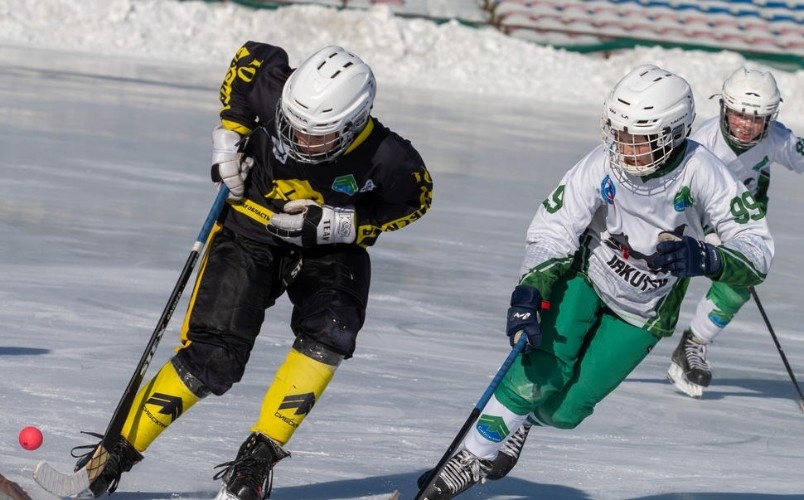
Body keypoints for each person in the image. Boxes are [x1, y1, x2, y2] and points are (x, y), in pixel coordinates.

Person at [73, 42, 433, 500]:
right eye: (292, 126)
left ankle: (256, 461)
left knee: (333, 329)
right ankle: (112, 457)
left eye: (316, 136)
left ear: (352, 126)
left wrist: (345, 224)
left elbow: (415, 200)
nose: (300, 140)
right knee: (213, 355)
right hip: (250, 230)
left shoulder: (389, 156)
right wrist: (231, 135)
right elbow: (248, 59)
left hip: (328, 245)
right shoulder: (272, 86)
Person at [417, 65, 773, 499]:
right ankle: (472, 457)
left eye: (639, 139)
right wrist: (530, 289)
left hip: (643, 312)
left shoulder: (704, 169)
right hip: (587, 278)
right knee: (538, 373)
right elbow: (554, 226)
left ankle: (523, 420)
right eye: (619, 133)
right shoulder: (602, 162)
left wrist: (710, 256)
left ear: (674, 134)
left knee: (565, 411)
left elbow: (757, 247)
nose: (624, 147)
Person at [667, 67, 804, 398]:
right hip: (691, 219)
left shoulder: (777, 139)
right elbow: (682, 196)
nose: (746, 125)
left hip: (742, 225)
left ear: (769, 119)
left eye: (756, 119)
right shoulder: (702, 143)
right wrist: (710, 233)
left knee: (740, 284)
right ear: (724, 109)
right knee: (658, 290)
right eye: (739, 115)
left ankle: (691, 346)